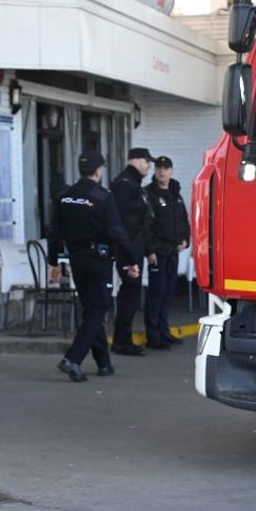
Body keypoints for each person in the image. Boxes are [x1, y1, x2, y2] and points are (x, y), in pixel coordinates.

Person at [47, 152, 139, 382]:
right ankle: (73, 359)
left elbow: (54, 232)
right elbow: (117, 232)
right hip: (99, 260)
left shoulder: (65, 195)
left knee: (91, 311)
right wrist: (131, 260)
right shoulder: (102, 197)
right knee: (98, 310)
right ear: (99, 170)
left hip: (76, 260)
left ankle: (104, 363)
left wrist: (53, 262)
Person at [110, 147, 154, 355]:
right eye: (147, 161)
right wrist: (128, 252)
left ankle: (123, 339)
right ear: (135, 161)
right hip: (127, 248)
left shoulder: (133, 183)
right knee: (129, 294)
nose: (149, 166)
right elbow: (122, 222)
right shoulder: (125, 185)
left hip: (133, 246)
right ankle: (121, 340)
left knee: (132, 294)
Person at [143, 156, 189, 347]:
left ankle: (164, 330)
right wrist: (150, 250)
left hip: (173, 251)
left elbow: (183, 220)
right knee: (156, 294)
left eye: (166, 168)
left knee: (168, 293)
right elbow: (146, 225)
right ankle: (153, 336)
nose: (162, 172)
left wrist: (185, 240)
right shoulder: (149, 194)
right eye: (159, 168)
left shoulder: (175, 194)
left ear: (171, 171)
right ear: (155, 171)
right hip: (158, 253)